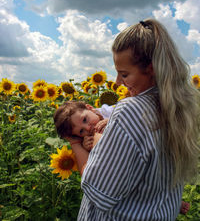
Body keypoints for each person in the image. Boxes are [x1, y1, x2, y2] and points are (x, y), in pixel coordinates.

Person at [66, 19, 200, 221]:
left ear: (152, 69)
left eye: (124, 74)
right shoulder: (180, 110)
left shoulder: (131, 111)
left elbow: (99, 193)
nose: (118, 82)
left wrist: (95, 143)